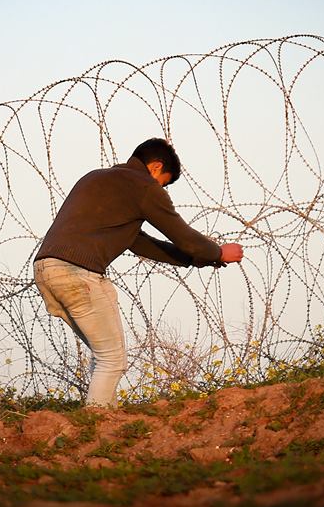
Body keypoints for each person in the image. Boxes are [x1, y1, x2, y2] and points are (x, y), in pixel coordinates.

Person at [33, 138, 243, 407]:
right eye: (163, 183)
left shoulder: (96, 179)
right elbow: (181, 235)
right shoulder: (143, 186)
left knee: (104, 354)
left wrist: (196, 260)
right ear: (155, 167)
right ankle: (96, 426)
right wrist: (217, 252)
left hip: (46, 271)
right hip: (78, 274)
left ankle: (100, 422)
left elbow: (140, 243)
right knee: (112, 358)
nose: (161, 190)